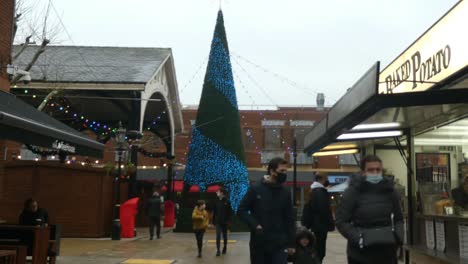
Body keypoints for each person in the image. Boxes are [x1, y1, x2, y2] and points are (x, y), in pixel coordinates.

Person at [336, 155, 404, 264]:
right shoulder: (352, 192)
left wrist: (398, 238)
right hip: (360, 254)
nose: (375, 173)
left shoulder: (390, 191)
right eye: (371, 170)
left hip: (387, 252)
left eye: (378, 169)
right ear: (363, 172)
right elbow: (341, 221)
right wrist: (359, 238)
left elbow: (399, 218)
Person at [238, 157, 295, 264]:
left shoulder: (285, 192)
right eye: (281, 171)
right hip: (260, 243)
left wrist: (291, 243)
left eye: (285, 170)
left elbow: (289, 218)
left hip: (279, 244)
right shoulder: (256, 188)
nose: (284, 173)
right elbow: (242, 210)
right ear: (272, 171)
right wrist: (255, 225)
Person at [301, 174, 334, 263]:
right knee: (319, 250)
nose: (327, 181)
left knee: (315, 249)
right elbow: (323, 210)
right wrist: (330, 223)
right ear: (321, 179)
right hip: (320, 226)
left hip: (315, 225)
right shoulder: (320, 192)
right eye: (326, 179)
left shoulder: (313, 190)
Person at [213, 187, 232, 256]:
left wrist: (229, 222)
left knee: (225, 236)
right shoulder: (216, 201)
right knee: (218, 236)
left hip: (225, 222)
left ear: (222, 193)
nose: (216, 192)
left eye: (218, 191)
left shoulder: (227, 201)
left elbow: (230, 213)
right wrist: (213, 221)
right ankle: (218, 250)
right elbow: (215, 212)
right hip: (218, 222)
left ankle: (225, 247)